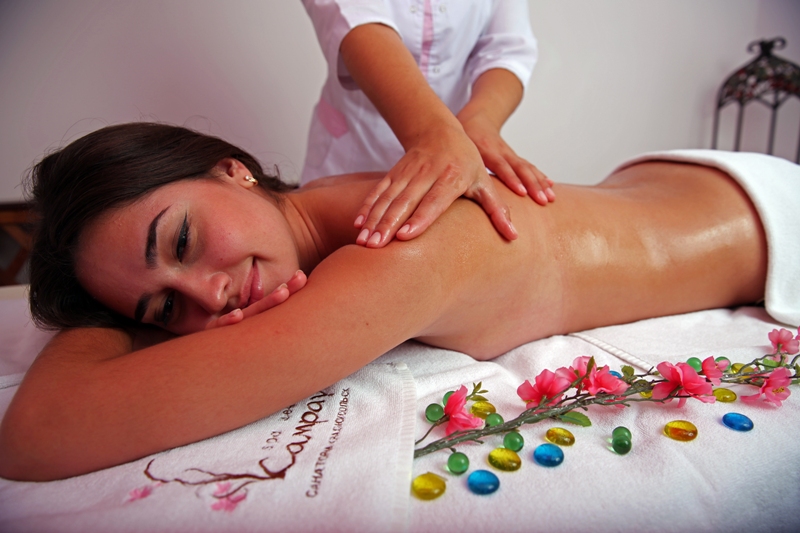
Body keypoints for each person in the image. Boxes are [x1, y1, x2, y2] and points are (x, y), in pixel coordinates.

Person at [0, 122, 795, 483]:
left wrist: (96, 320)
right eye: (164, 313)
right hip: (675, 180)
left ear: (232, 167)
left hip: (774, 219)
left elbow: (39, 435)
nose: (210, 295)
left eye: (180, 241)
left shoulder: (400, 251)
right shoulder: (328, 201)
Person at [301, 0, 554, 249]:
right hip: (352, 154)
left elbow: (507, 49)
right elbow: (355, 17)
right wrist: (435, 133)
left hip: (460, 158)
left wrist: (478, 121)